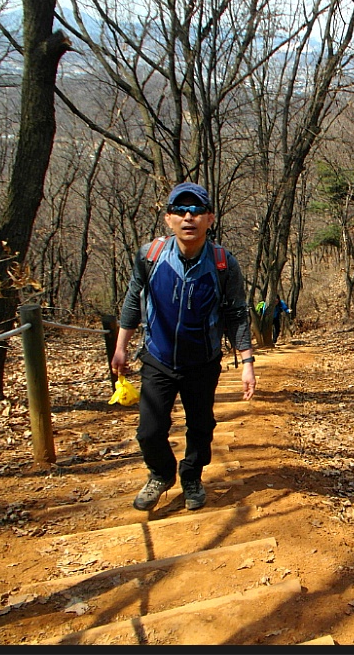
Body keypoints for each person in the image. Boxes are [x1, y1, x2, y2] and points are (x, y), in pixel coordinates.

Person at [112, 182, 256, 512]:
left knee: (201, 426)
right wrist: (121, 346)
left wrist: (247, 363)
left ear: (210, 218)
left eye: (196, 210)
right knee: (149, 431)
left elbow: (236, 314)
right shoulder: (149, 257)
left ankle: (191, 477)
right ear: (168, 218)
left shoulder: (223, 264)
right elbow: (133, 301)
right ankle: (161, 474)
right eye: (180, 210)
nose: (188, 216)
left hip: (202, 361)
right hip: (158, 358)